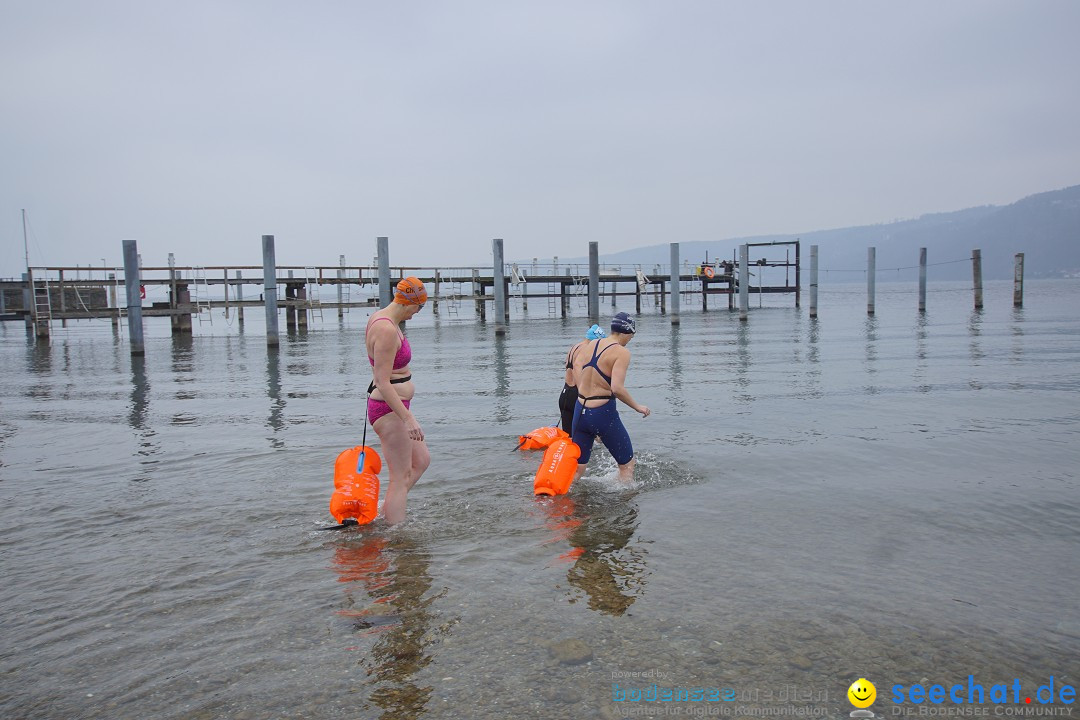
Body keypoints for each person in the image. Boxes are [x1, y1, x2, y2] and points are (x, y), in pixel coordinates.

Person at [365, 276, 431, 524]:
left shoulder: (385, 320)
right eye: (419, 307)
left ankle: (387, 510)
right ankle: (395, 534)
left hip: (396, 407)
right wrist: (408, 419)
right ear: (408, 302)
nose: (417, 313)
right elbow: (382, 380)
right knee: (400, 477)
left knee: (421, 461)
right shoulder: (385, 328)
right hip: (388, 410)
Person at [570, 312, 650, 483]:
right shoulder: (622, 352)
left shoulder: (592, 344)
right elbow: (617, 388)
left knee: (578, 468)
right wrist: (638, 407)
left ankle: (563, 502)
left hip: (580, 410)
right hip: (602, 413)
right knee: (627, 465)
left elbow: (576, 365)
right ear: (626, 332)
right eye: (632, 335)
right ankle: (625, 505)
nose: (631, 339)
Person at [559, 324, 606, 433]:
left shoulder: (575, 347)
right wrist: (583, 393)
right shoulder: (586, 349)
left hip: (565, 395)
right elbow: (577, 367)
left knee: (569, 437)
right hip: (576, 396)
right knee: (588, 434)